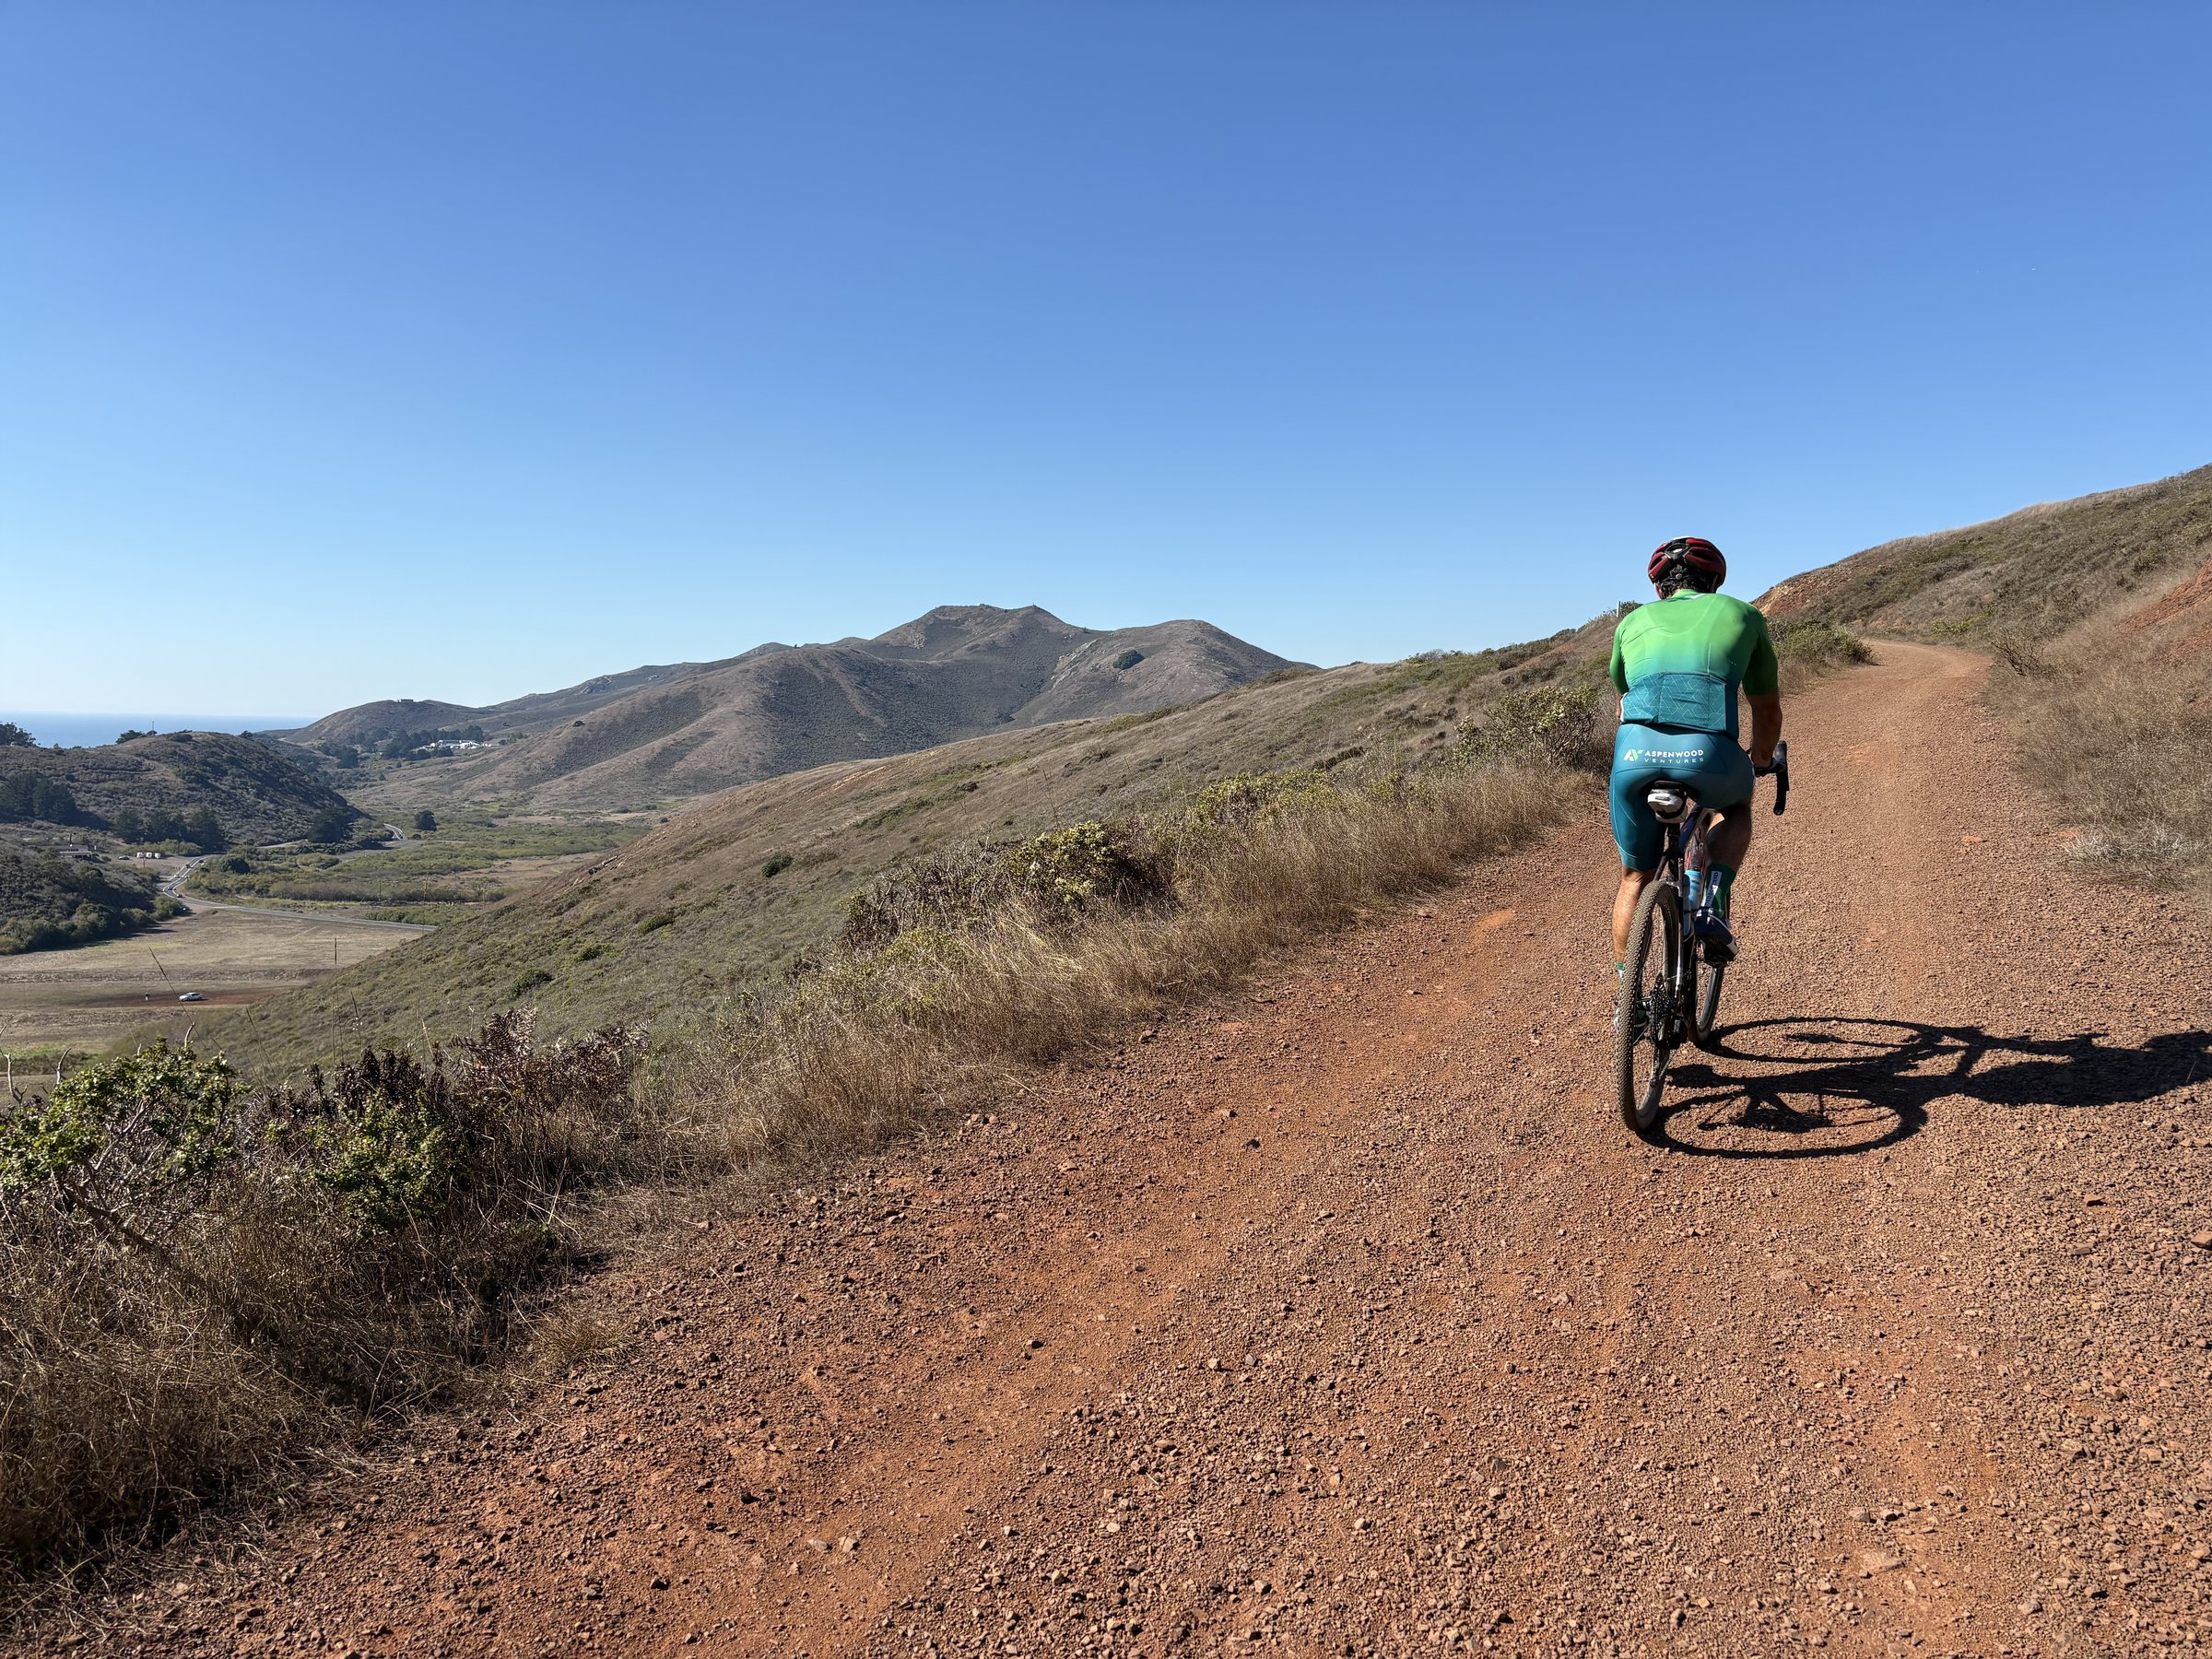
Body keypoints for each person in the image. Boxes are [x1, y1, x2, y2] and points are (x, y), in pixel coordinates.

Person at [1607, 536, 1781, 975]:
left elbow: (1623, 697)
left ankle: (1627, 998)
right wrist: (1760, 760)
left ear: (1659, 586)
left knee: (1633, 878)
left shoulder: (1631, 623)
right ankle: (1715, 900)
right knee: (1737, 809)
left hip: (1634, 758)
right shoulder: (1745, 615)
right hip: (1709, 756)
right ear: (1715, 582)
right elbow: (1766, 707)